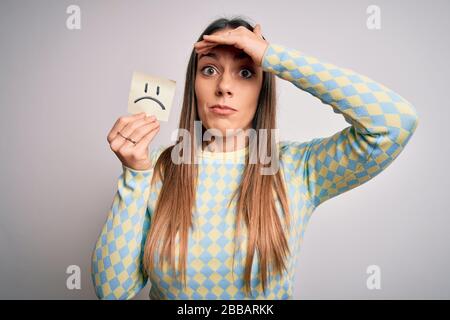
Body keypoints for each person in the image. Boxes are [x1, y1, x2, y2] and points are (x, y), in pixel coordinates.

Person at [91, 17, 419, 300]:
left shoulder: (297, 168)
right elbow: (112, 290)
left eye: (246, 73)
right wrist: (134, 175)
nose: (224, 87)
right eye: (209, 70)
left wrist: (272, 57)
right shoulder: (160, 168)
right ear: (194, 85)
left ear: (264, 88)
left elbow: (394, 123)